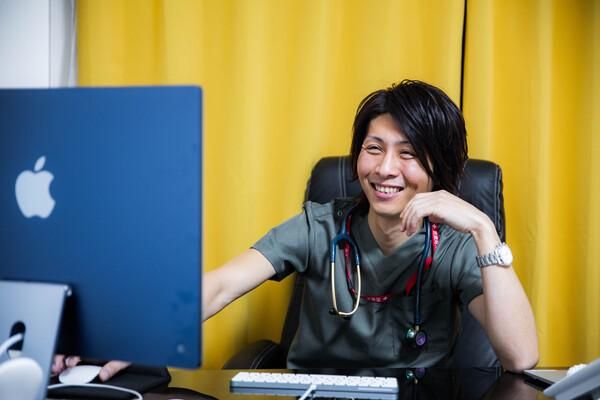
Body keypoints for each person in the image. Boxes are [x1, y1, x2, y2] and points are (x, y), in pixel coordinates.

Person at [56, 79, 538, 378]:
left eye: (408, 154)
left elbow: (520, 357)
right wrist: (123, 333)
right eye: (373, 148)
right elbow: (219, 286)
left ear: (441, 169)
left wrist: (483, 228)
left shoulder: (456, 247)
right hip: (310, 394)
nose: (385, 168)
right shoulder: (321, 225)